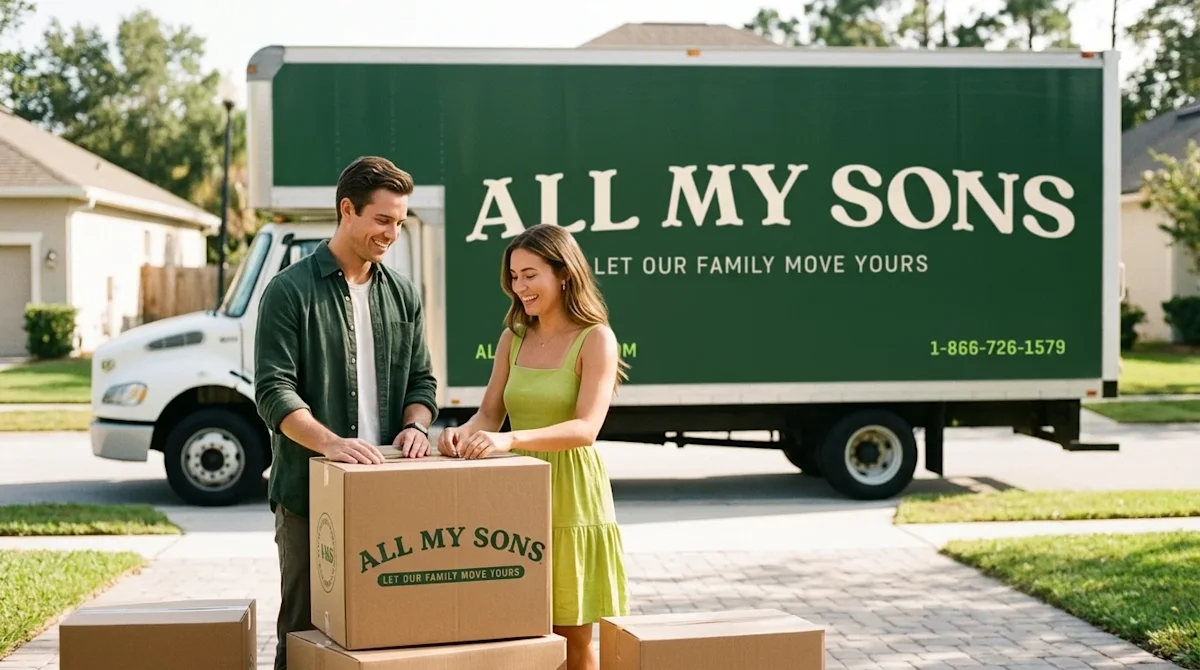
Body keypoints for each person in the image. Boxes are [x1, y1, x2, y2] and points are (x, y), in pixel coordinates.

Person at [254, 155, 439, 670]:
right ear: (347, 210)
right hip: (310, 497)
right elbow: (273, 389)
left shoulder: (403, 295)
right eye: (383, 220)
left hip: (389, 494)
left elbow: (422, 381)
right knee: (304, 633)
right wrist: (330, 443)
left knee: (387, 630)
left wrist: (415, 425)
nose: (392, 234)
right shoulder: (289, 291)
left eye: (400, 223)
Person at [438, 223, 630, 670]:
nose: (520, 287)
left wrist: (511, 440)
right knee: (517, 630)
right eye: (514, 277)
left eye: (530, 274)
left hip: (571, 497)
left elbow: (586, 428)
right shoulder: (513, 337)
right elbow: (489, 414)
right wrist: (456, 436)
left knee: (572, 641)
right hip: (515, 492)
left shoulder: (596, 338)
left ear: (563, 273)